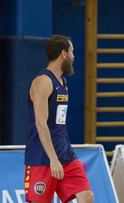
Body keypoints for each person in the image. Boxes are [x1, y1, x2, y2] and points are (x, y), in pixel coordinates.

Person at [24, 34, 94, 203]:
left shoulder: (62, 82)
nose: (73, 57)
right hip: (42, 157)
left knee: (86, 196)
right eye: (72, 52)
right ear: (63, 53)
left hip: (66, 154)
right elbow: (41, 124)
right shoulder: (43, 82)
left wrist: (60, 156)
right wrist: (53, 159)